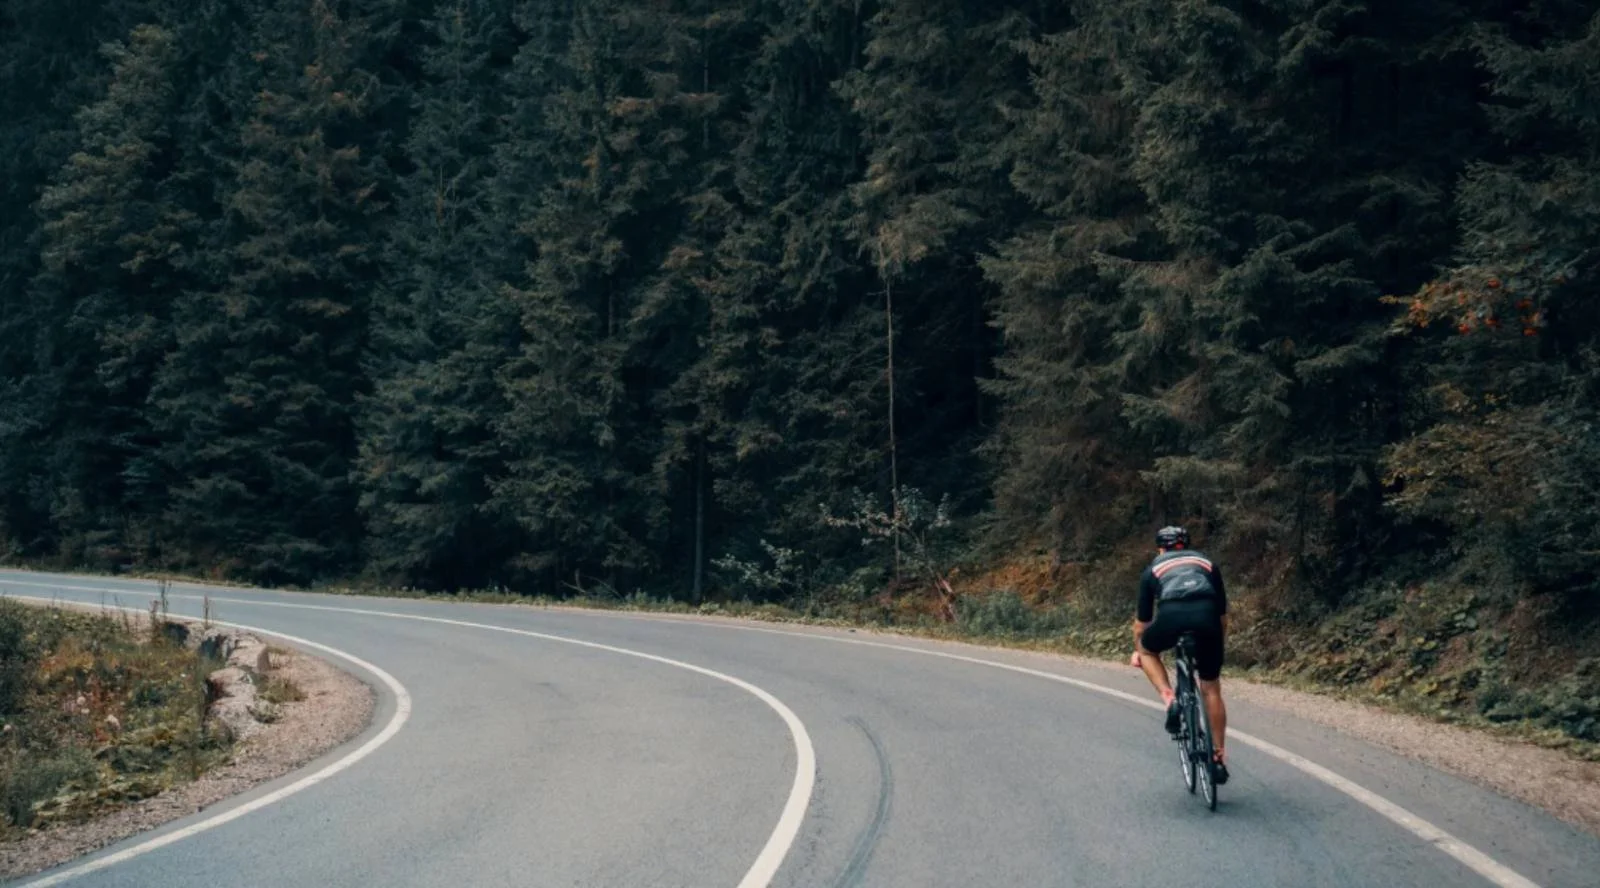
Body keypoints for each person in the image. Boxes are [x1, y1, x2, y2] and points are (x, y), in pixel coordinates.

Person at [1129, 525, 1230, 784]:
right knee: (1211, 689)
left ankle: (1169, 698)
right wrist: (1218, 642)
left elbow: (1142, 624)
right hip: (1207, 621)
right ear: (1187, 545)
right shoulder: (1207, 563)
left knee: (1147, 648)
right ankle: (1218, 755)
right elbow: (1222, 616)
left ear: (1159, 548)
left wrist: (1137, 650)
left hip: (1171, 617)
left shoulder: (1153, 569)